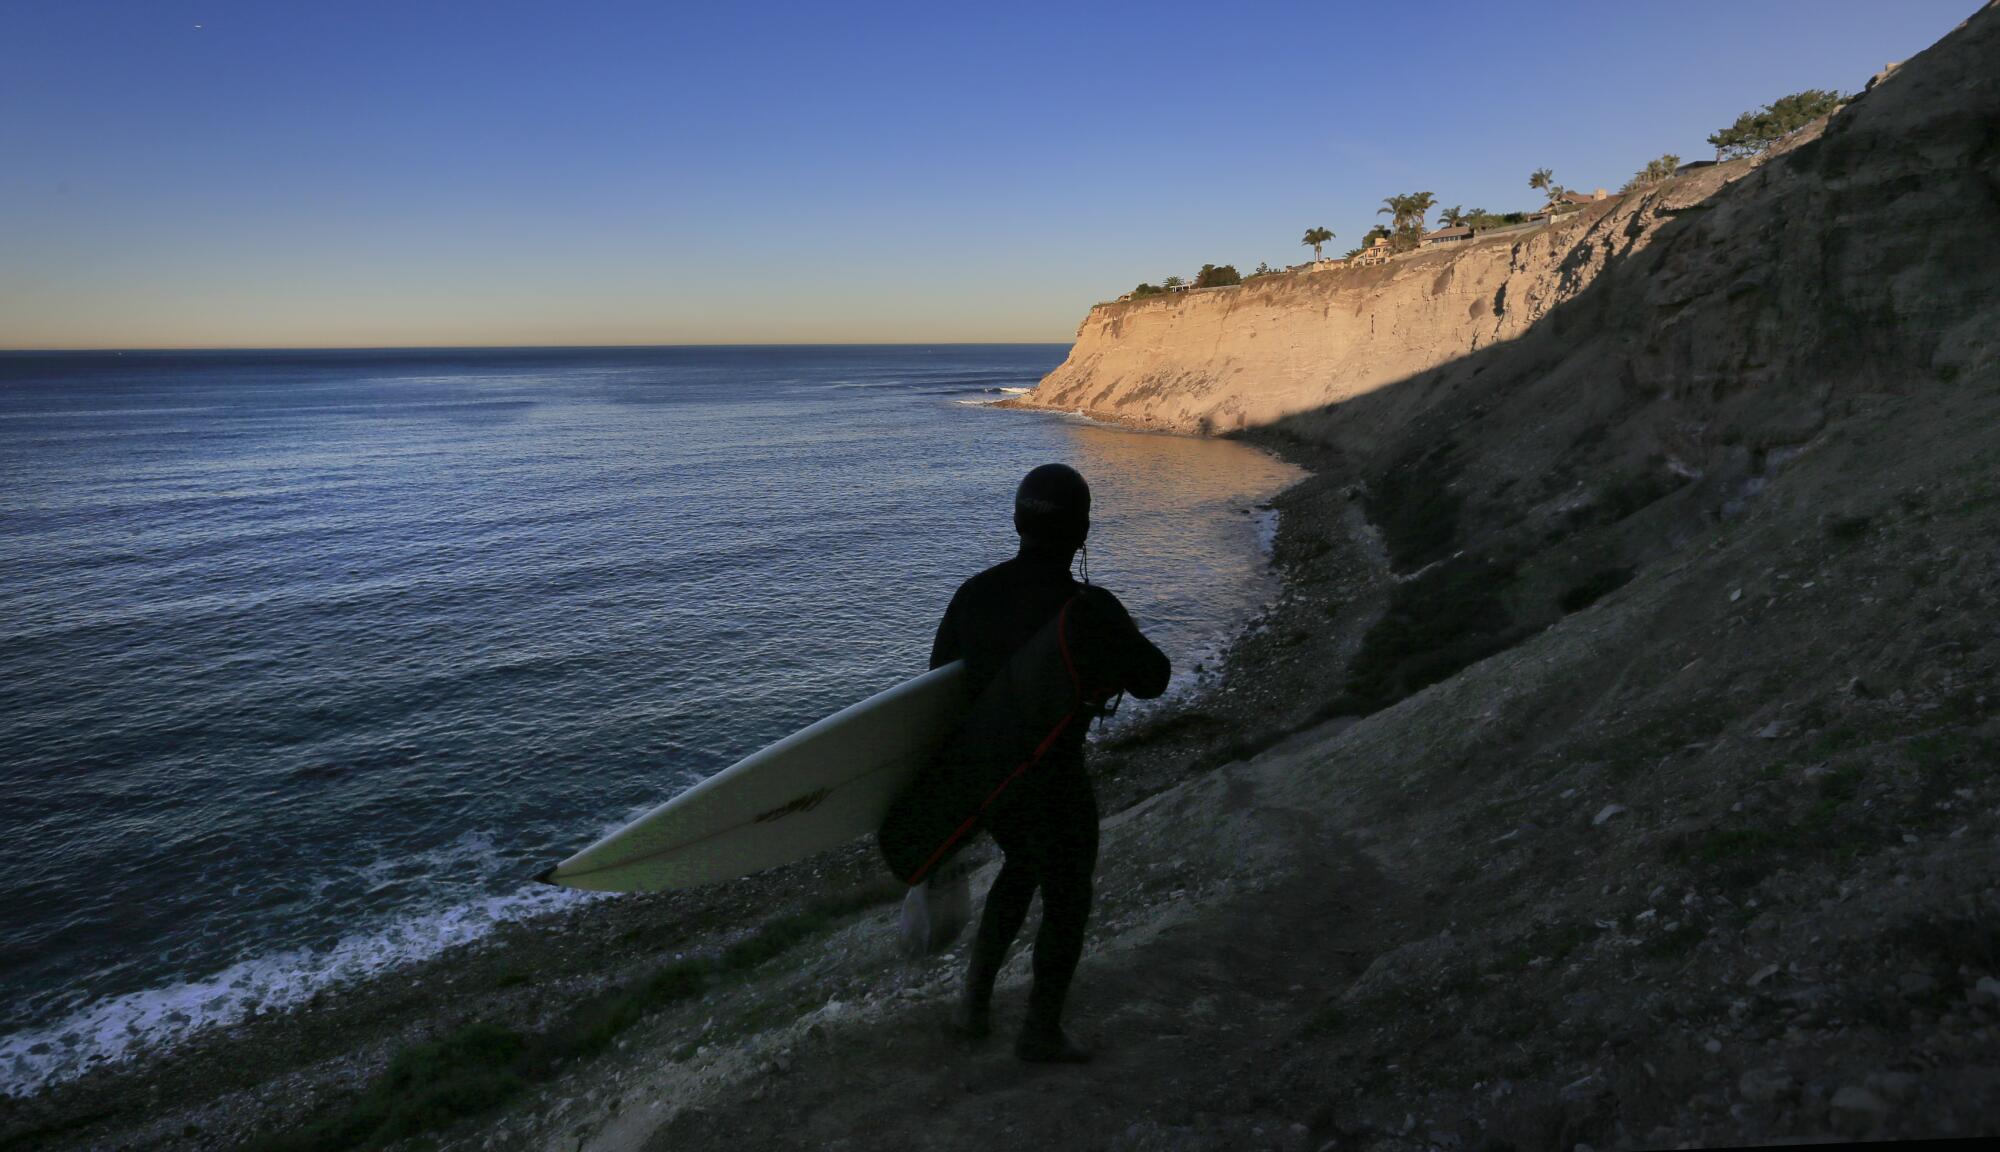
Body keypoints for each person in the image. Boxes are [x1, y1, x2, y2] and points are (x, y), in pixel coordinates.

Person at [929, 463, 1171, 1063]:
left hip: (993, 783)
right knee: (1067, 896)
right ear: (1082, 532)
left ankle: (973, 1007)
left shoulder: (973, 594)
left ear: (1018, 520)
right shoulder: (1090, 608)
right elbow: (1154, 680)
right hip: (1056, 776)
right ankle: (1039, 1031)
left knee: (1021, 863)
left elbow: (936, 688)